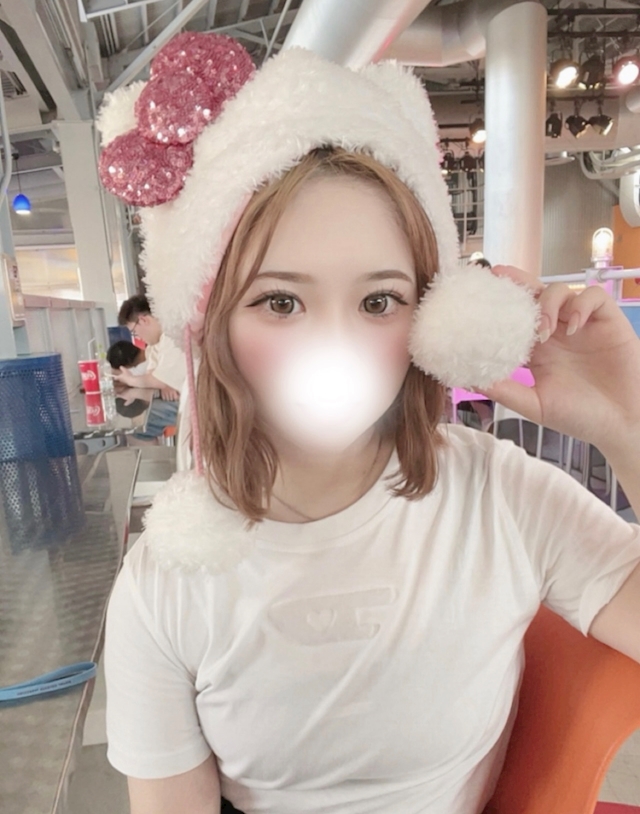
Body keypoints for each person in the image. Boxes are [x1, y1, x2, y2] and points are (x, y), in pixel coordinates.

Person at [98, 33, 640, 814]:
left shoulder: (501, 496)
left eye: (379, 300)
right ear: (213, 328)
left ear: (433, 318)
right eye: (280, 301)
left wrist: (628, 424)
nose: (336, 345)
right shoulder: (163, 586)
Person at [114, 294, 187, 444]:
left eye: (134, 332)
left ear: (144, 320)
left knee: (135, 425)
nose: (137, 338)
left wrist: (131, 380)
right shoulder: (155, 345)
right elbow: (153, 377)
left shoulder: (172, 335)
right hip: (179, 399)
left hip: (195, 403)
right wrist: (162, 382)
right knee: (137, 419)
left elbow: (156, 380)